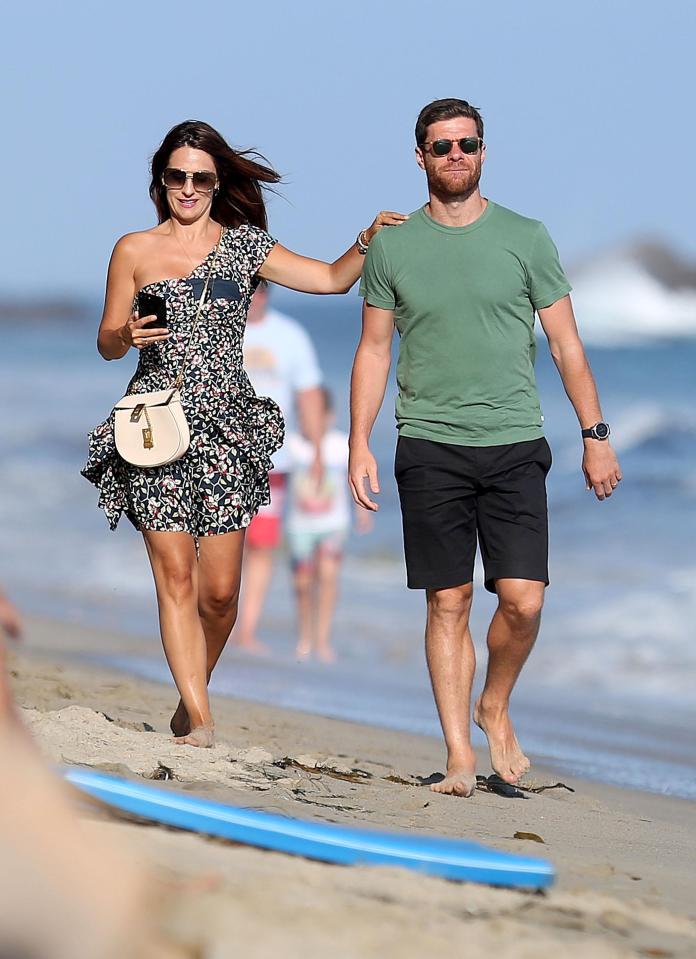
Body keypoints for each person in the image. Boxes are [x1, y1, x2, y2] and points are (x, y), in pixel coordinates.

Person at [82, 119, 406, 747]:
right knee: (174, 574)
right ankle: (200, 717)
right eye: (176, 176)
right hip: (156, 426)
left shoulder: (247, 246)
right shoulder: (134, 250)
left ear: (217, 182)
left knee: (221, 595)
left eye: (200, 178)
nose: (188, 188)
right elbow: (104, 341)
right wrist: (124, 337)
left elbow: (331, 279)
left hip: (229, 427)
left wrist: (366, 241)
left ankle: (189, 694)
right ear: (160, 181)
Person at [349, 98, 622, 797]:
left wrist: (595, 435)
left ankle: (494, 702)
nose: (455, 156)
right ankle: (459, 756)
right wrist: (359, 443)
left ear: (483, 150)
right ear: (421, 157)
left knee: (524, 601)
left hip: (514, 443)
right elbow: (374, 350)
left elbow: (566, 343)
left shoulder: (526, 237)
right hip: (430, 443)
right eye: (441, 146)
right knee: (449, 601)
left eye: (467, 143)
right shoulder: (393, 245)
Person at [235, 283, 324, 654]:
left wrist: (318, 449)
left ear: (267, 295)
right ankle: (212, 618)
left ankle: (246, 629)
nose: (253, 298)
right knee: (218, 544)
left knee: (261, 545)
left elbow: (309, 392)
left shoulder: (289, 335)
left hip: (274, 462)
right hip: (223, 458)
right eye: (247, 291)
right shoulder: (222, 329)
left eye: (259, 291)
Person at [287, 387, 372, 662]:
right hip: (299, 526)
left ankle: (322, 641)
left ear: (329, 416)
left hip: (333, 524)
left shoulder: (339, 445)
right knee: (302, 583)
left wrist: (362, 511)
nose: (307, 422)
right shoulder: (293, 445)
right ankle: (304, 637)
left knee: (327, 578)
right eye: (303, 415)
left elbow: (354, 478)